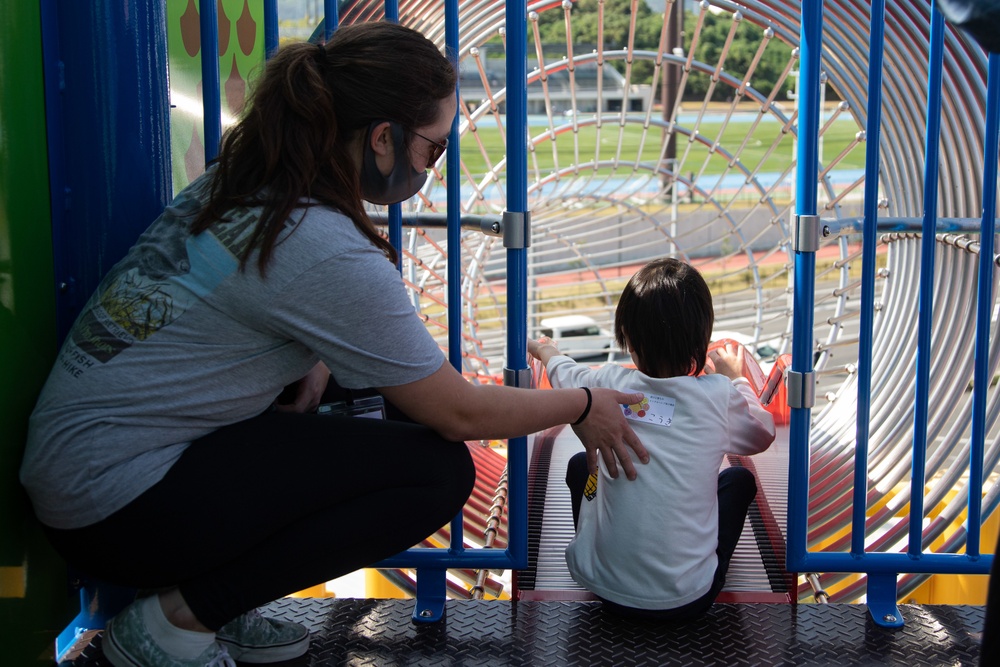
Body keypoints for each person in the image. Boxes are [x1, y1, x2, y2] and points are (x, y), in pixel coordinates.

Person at [20, 22, 649, 667]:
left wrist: (316, 356)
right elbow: (461, 412)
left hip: (87, 472)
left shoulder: (250, 179)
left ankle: (215, 608)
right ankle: (176, 622)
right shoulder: (320, 244)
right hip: (115, 509)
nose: (435, 169)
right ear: (382, 138)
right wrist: (581, 404)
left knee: (382, 392)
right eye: (433, 149)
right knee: (437, 472)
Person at [527, 258, 775, 620]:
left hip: (604, 588)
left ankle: (598, 549)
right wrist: (737, 379)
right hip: (688, 600)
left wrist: (545, 350)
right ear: (700, 339)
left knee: (582, 465)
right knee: (739, 480)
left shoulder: (608, 382)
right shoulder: (718, 395)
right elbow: (763, 432)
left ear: (627, 336)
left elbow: (566, 373)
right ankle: (700, 563)